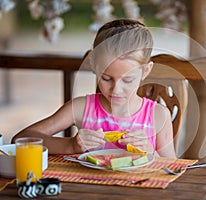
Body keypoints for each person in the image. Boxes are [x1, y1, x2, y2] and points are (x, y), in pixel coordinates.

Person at [12, 19, 176, 158]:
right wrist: (70, 145)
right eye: (106, 78)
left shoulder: (158, 116)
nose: (116, 90)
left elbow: (174, 168)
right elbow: (21, 139)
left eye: (127, 80)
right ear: (94, 67)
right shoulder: (81, 108)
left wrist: (151, 154)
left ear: (145, 71)